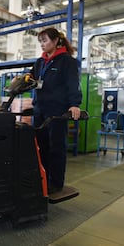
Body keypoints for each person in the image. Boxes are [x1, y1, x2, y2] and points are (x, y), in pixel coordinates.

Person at [30, 27, 82, 194]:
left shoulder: (67, 61)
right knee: (41, 146)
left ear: (55, 41)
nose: (42, 45)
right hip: (40, 110)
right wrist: (18, 83)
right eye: (40, 42)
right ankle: (43, 178)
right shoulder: (40, 62)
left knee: (56, 147)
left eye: (45, 41)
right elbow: (30, 78)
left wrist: (74, 104)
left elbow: (72, 84)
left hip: (57, 112)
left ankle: (56, 182)